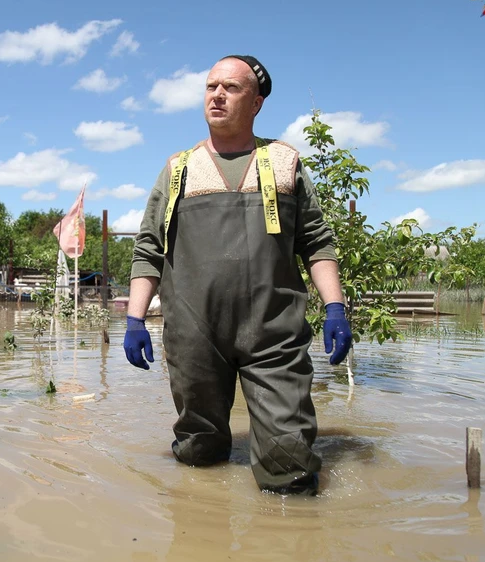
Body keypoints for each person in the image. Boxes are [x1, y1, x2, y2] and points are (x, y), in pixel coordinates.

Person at [123, 54, 352, 496]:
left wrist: (336, 308)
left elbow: (317, 243)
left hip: (273, 336)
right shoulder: (178, 170)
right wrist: (134, 320)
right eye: (211, 87)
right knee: (198, 459)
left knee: (290, 468)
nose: (217, 95)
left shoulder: (284, 164)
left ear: (257, 103)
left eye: (231, 88)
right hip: (194, 338)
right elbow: (149, 248)